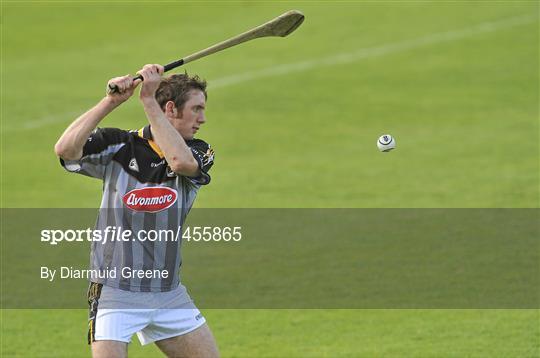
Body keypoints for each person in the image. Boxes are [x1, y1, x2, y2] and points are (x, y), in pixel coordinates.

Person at [54, 64, 219, 358]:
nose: (202, 119)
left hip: (169, 293)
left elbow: (179, 162)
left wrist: (147, 102)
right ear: (171, 107)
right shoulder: (120, 145)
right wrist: (112, 101)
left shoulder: (199, 150)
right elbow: (65, 149)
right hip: (115, 292)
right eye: (197, 109)